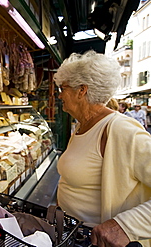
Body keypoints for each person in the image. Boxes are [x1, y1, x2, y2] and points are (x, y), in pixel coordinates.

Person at [54, 50, 151, 247]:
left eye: (62, 88)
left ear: (81, 90)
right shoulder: (82, 126)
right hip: (71, 235)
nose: (60, 95)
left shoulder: (121, 130)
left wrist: (125, 225)